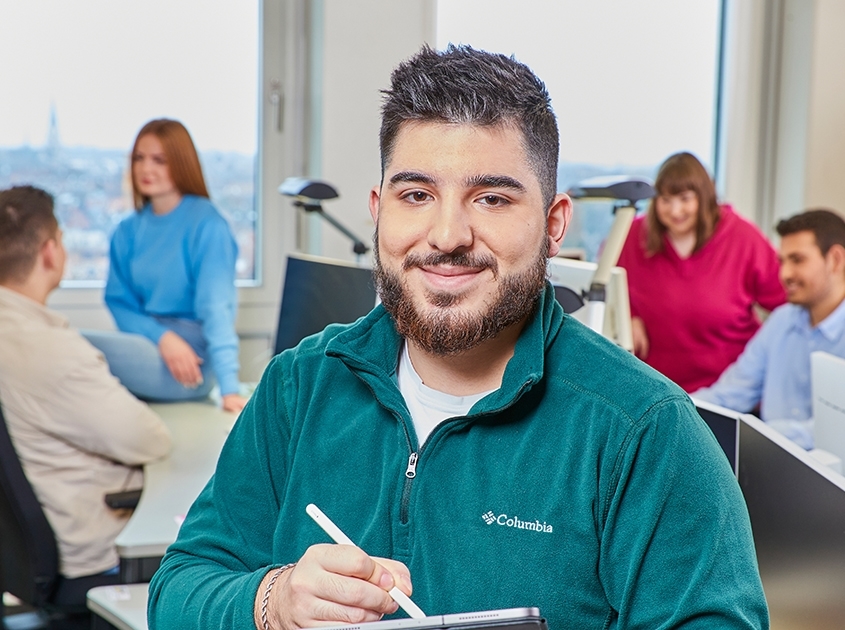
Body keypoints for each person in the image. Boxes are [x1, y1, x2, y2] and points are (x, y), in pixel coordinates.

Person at [148, 46, 768, 630]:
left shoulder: (645, 433)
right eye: (416, 194)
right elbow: (177, 588)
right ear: (378, 210)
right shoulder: (299, 386)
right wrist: (272, 602)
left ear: (553, 226)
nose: (447, 234)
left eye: (492, 198)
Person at [0, 185, 172, 579]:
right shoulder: (48, 348)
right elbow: (149, 439)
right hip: (88, 554)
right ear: (49, 252)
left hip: (19, 554)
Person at [85, 119, 248, 413]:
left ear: (182, 163)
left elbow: (216, 308)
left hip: (191, 362)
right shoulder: (126, 231)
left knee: (77, 348)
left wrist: (230, 389)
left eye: (159, 160)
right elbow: (119, 303)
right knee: (69, 347)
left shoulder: (208, 225)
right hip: (151, 344)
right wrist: (163, 338)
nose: (146, 169)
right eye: (139, 158)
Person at [616, 152, 785, 392]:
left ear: (704, 198)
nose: (675, 211)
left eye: (685, 199)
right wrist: (629, 316)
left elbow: (787, 302)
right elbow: (610, 284)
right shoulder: (635, 235)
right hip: (657, 388)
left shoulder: (743, 238)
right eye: (665, 200)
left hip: (728, 391)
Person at [693, 209, 845, 450]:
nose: (784, 274)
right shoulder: (781, 321)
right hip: (769, 463)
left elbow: (834, 432)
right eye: (782, 261)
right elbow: (731, 393)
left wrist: (758, 435)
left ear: (836, 259)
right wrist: (677, 410)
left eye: (797, 260)